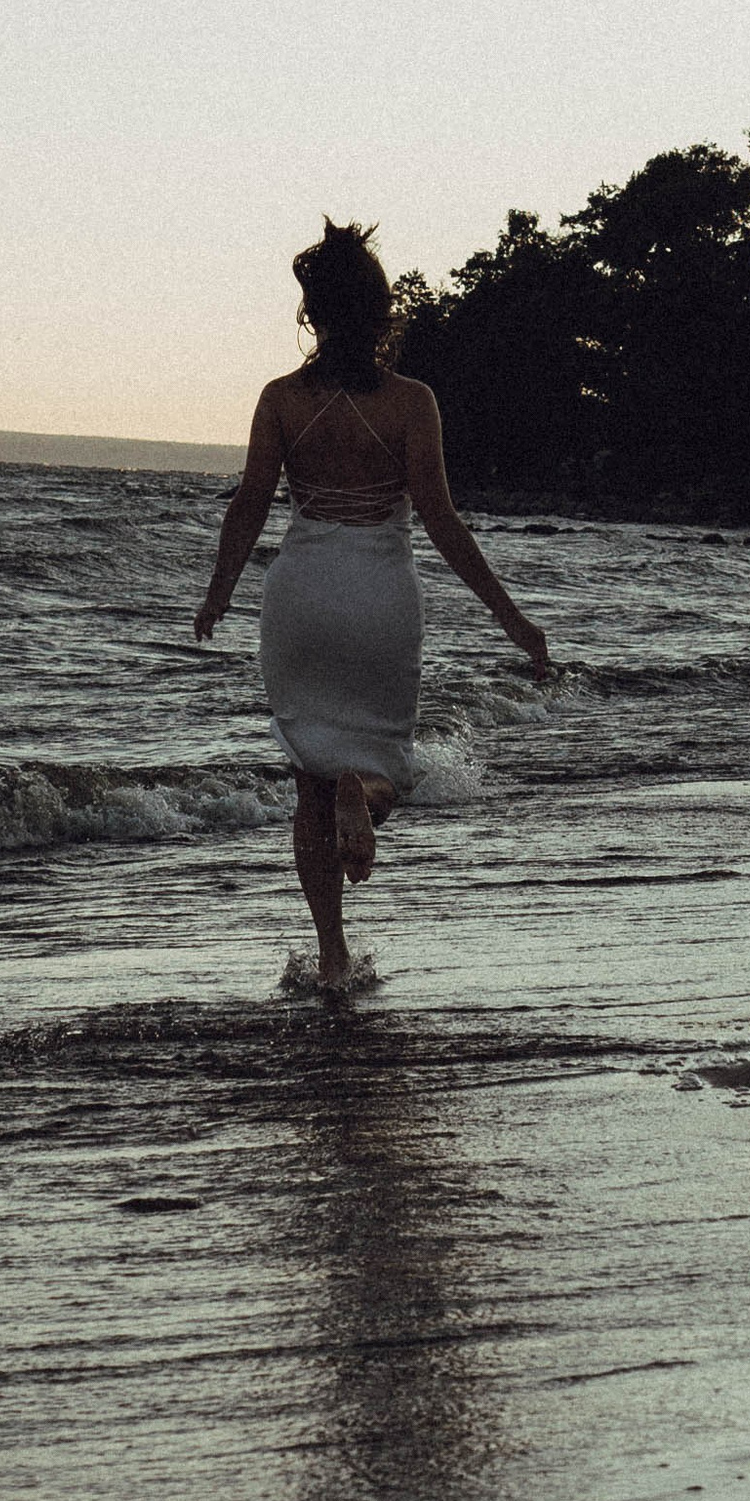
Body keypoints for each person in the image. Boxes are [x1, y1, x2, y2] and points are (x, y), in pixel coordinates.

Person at [193, 220, 553, 993]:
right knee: (385, 760)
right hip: (380, 597)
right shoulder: (412, 403)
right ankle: (367, 797)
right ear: (381, 310)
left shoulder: (281, 400)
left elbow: (250, 502)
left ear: (312, 313)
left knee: (308, 781)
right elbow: (443, 522)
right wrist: (511, 618)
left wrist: (219, 591)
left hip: (301, 597)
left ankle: (331, 955)